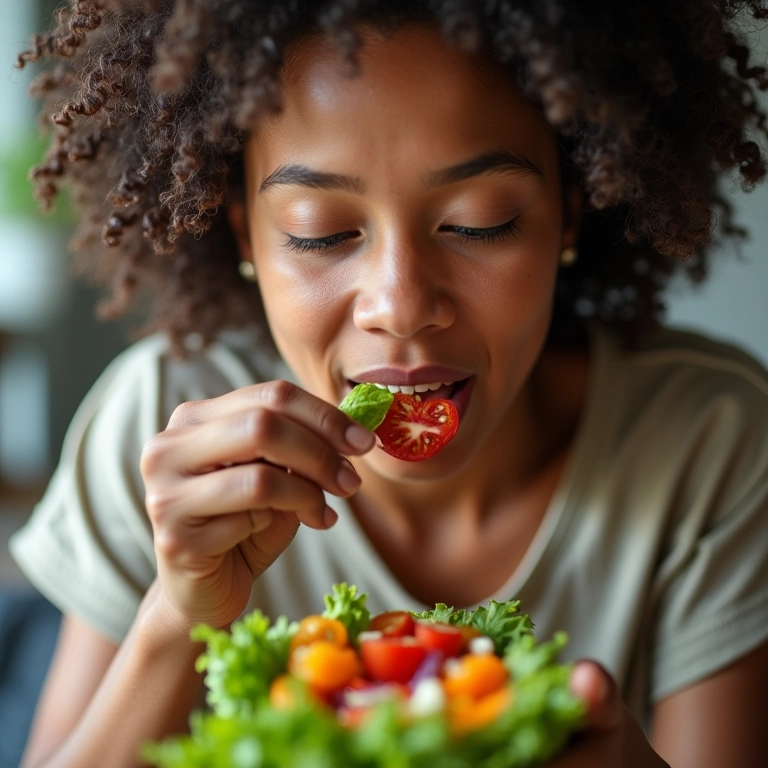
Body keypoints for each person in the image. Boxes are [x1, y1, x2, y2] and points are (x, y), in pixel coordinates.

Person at [8, 0, 768, 766]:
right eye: (320, 233)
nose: (400, 307)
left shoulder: (711, 440)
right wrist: (177, 615)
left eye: (480, 222)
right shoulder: (161, 423)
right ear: (245, 235)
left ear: (570, 214)